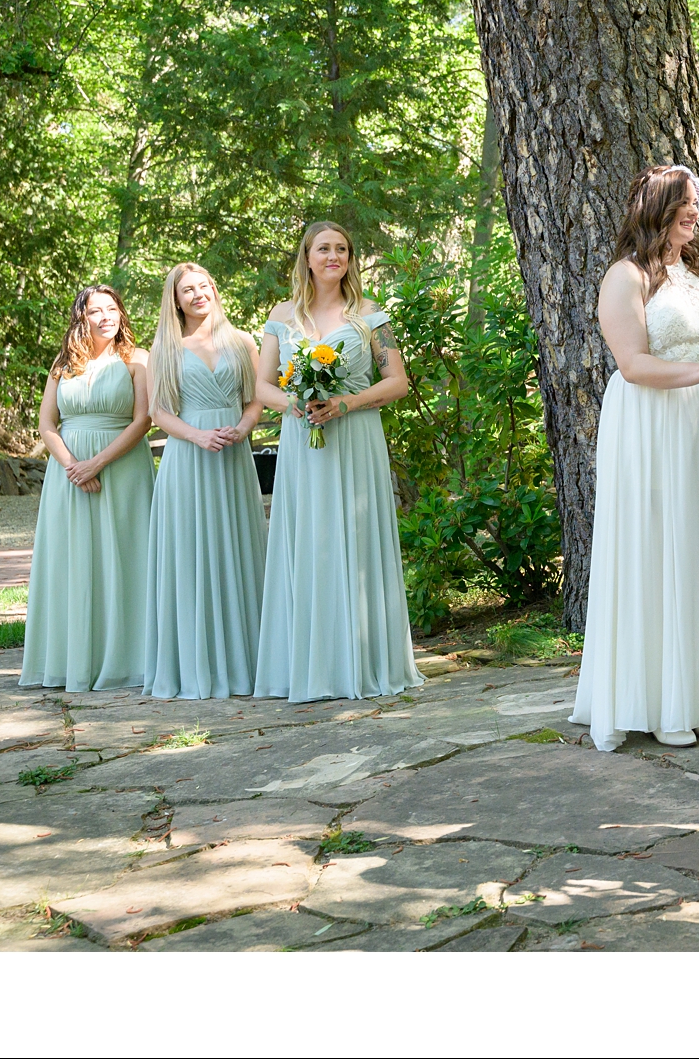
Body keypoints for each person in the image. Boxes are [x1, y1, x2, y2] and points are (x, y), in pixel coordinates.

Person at [569, 165, 699, 751]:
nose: (698, 211)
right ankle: (657, 700)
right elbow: (633, 364)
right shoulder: (625, 276)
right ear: (656, 207)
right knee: (658, 547)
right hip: (652, 422)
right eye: (686, 202)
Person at [253, 220, 423, 702]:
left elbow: (397, 382)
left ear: (350, 259)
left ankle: (363, 661)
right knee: (309, 540)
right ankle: (307, 664)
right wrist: (296, 404)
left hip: (356, 436)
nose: (334, 256)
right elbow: (263, 383)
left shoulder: (369, 314)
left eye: (342, 250)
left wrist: (345, 403)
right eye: (324, 249)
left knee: (354, 537)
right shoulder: (281, 315)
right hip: (302, 437)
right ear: (306, 257)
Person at [142, 262, 270, 700]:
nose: (197, 294)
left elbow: (257, 400)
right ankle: (196, 665)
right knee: (193, 555)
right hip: (187, 461)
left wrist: (242, 427)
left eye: (203, 286)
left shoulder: (242, 342)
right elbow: (157, 413)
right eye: (186, 291)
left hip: (234, 459)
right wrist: (197, 435)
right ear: (175, 301)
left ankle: (247, 663)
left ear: (214, 289)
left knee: (237, 550)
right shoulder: (166, 347)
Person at [22, 285, 156, 691]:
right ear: (81, 318)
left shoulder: (137, 360)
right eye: (95, 311)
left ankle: (129, 660)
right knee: (73, 562)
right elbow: (47, 424)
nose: (105, 317)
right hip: (69, 476)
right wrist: (73, 467)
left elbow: (143, 420)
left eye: (111, 309)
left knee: (127, 559)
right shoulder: (62, 365)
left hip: (124, 468)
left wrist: (97, 463)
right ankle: (72, 660)